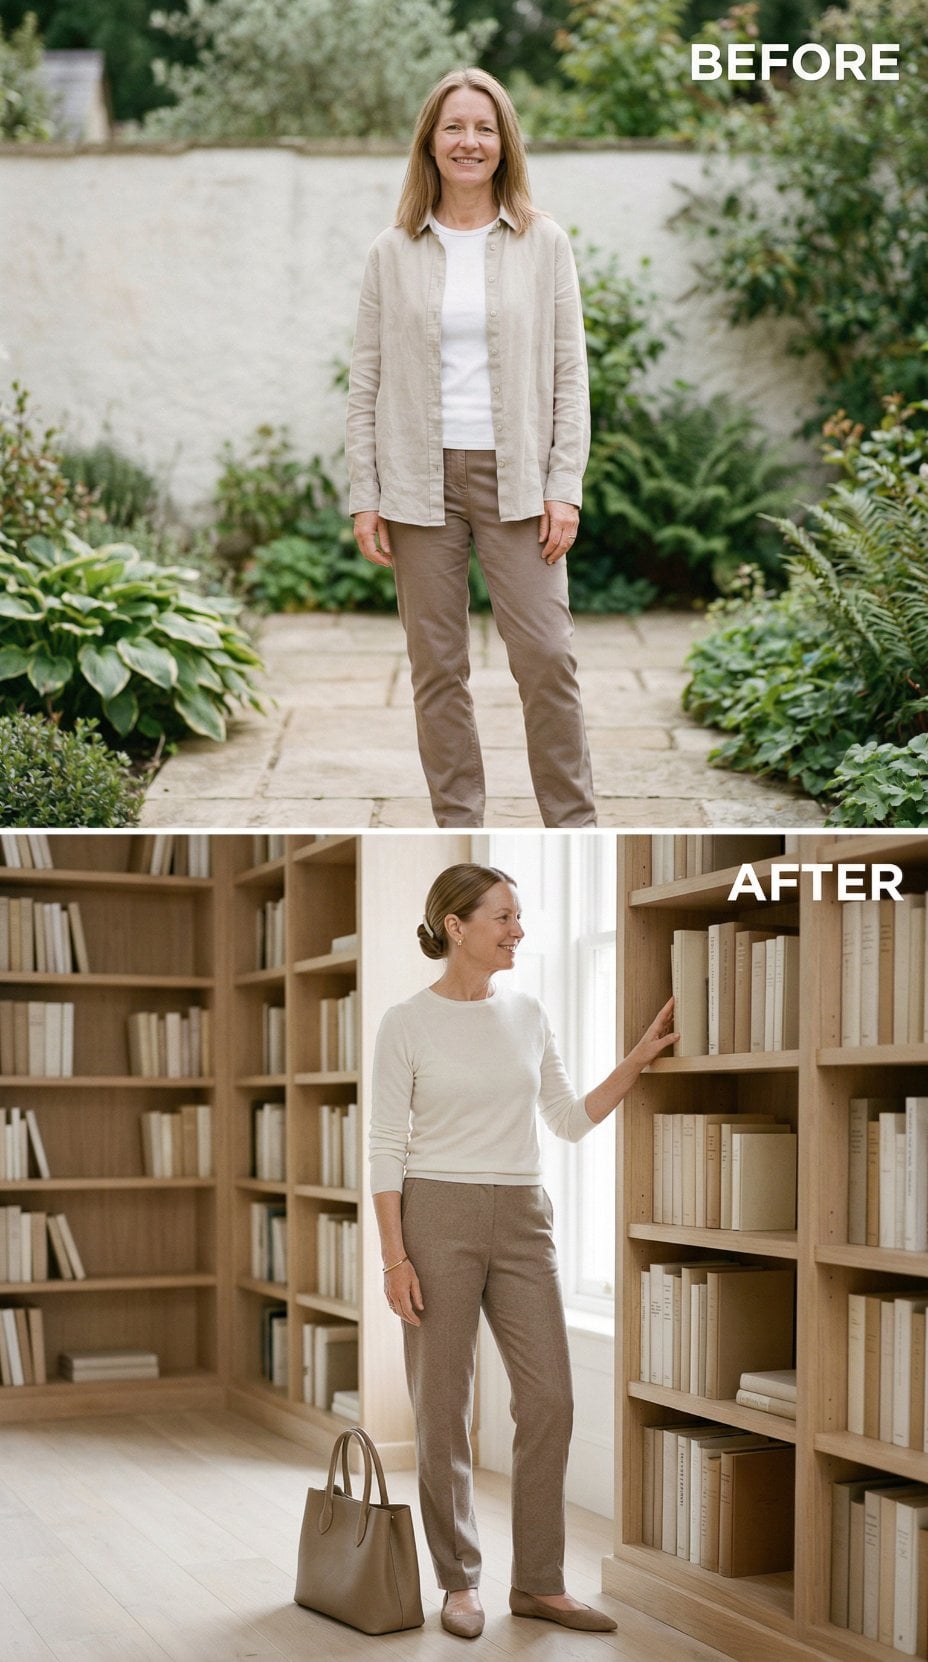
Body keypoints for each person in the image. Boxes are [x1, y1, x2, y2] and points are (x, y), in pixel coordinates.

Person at [370, 862, 677, 1639]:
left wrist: (635, 1060)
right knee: (443, 1407)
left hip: (524, 1214)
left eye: (519, 916)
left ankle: (540, 1583)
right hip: (434, 1211)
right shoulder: (406, 1022)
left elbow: (569, 1120)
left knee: (550, 1399)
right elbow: (381, 1149)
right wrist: (395, 1256)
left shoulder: (529, 1011)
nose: (518, 930)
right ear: (456, 928)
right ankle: (458, 1581)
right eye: (503, 917)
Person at [346, 67, 596, 829]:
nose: (469, 141)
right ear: (430, 141)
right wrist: (367, 491)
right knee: (438, 671)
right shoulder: (392, 252)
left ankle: (575, 825)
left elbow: (569, 372)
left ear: (504, 143)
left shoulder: (542, 242)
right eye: (454, 127)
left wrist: (565, 484)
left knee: (548, 658)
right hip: (419, 484)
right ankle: (460, 827)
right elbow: (366, 380)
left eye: (484, 128)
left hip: (517, 478)